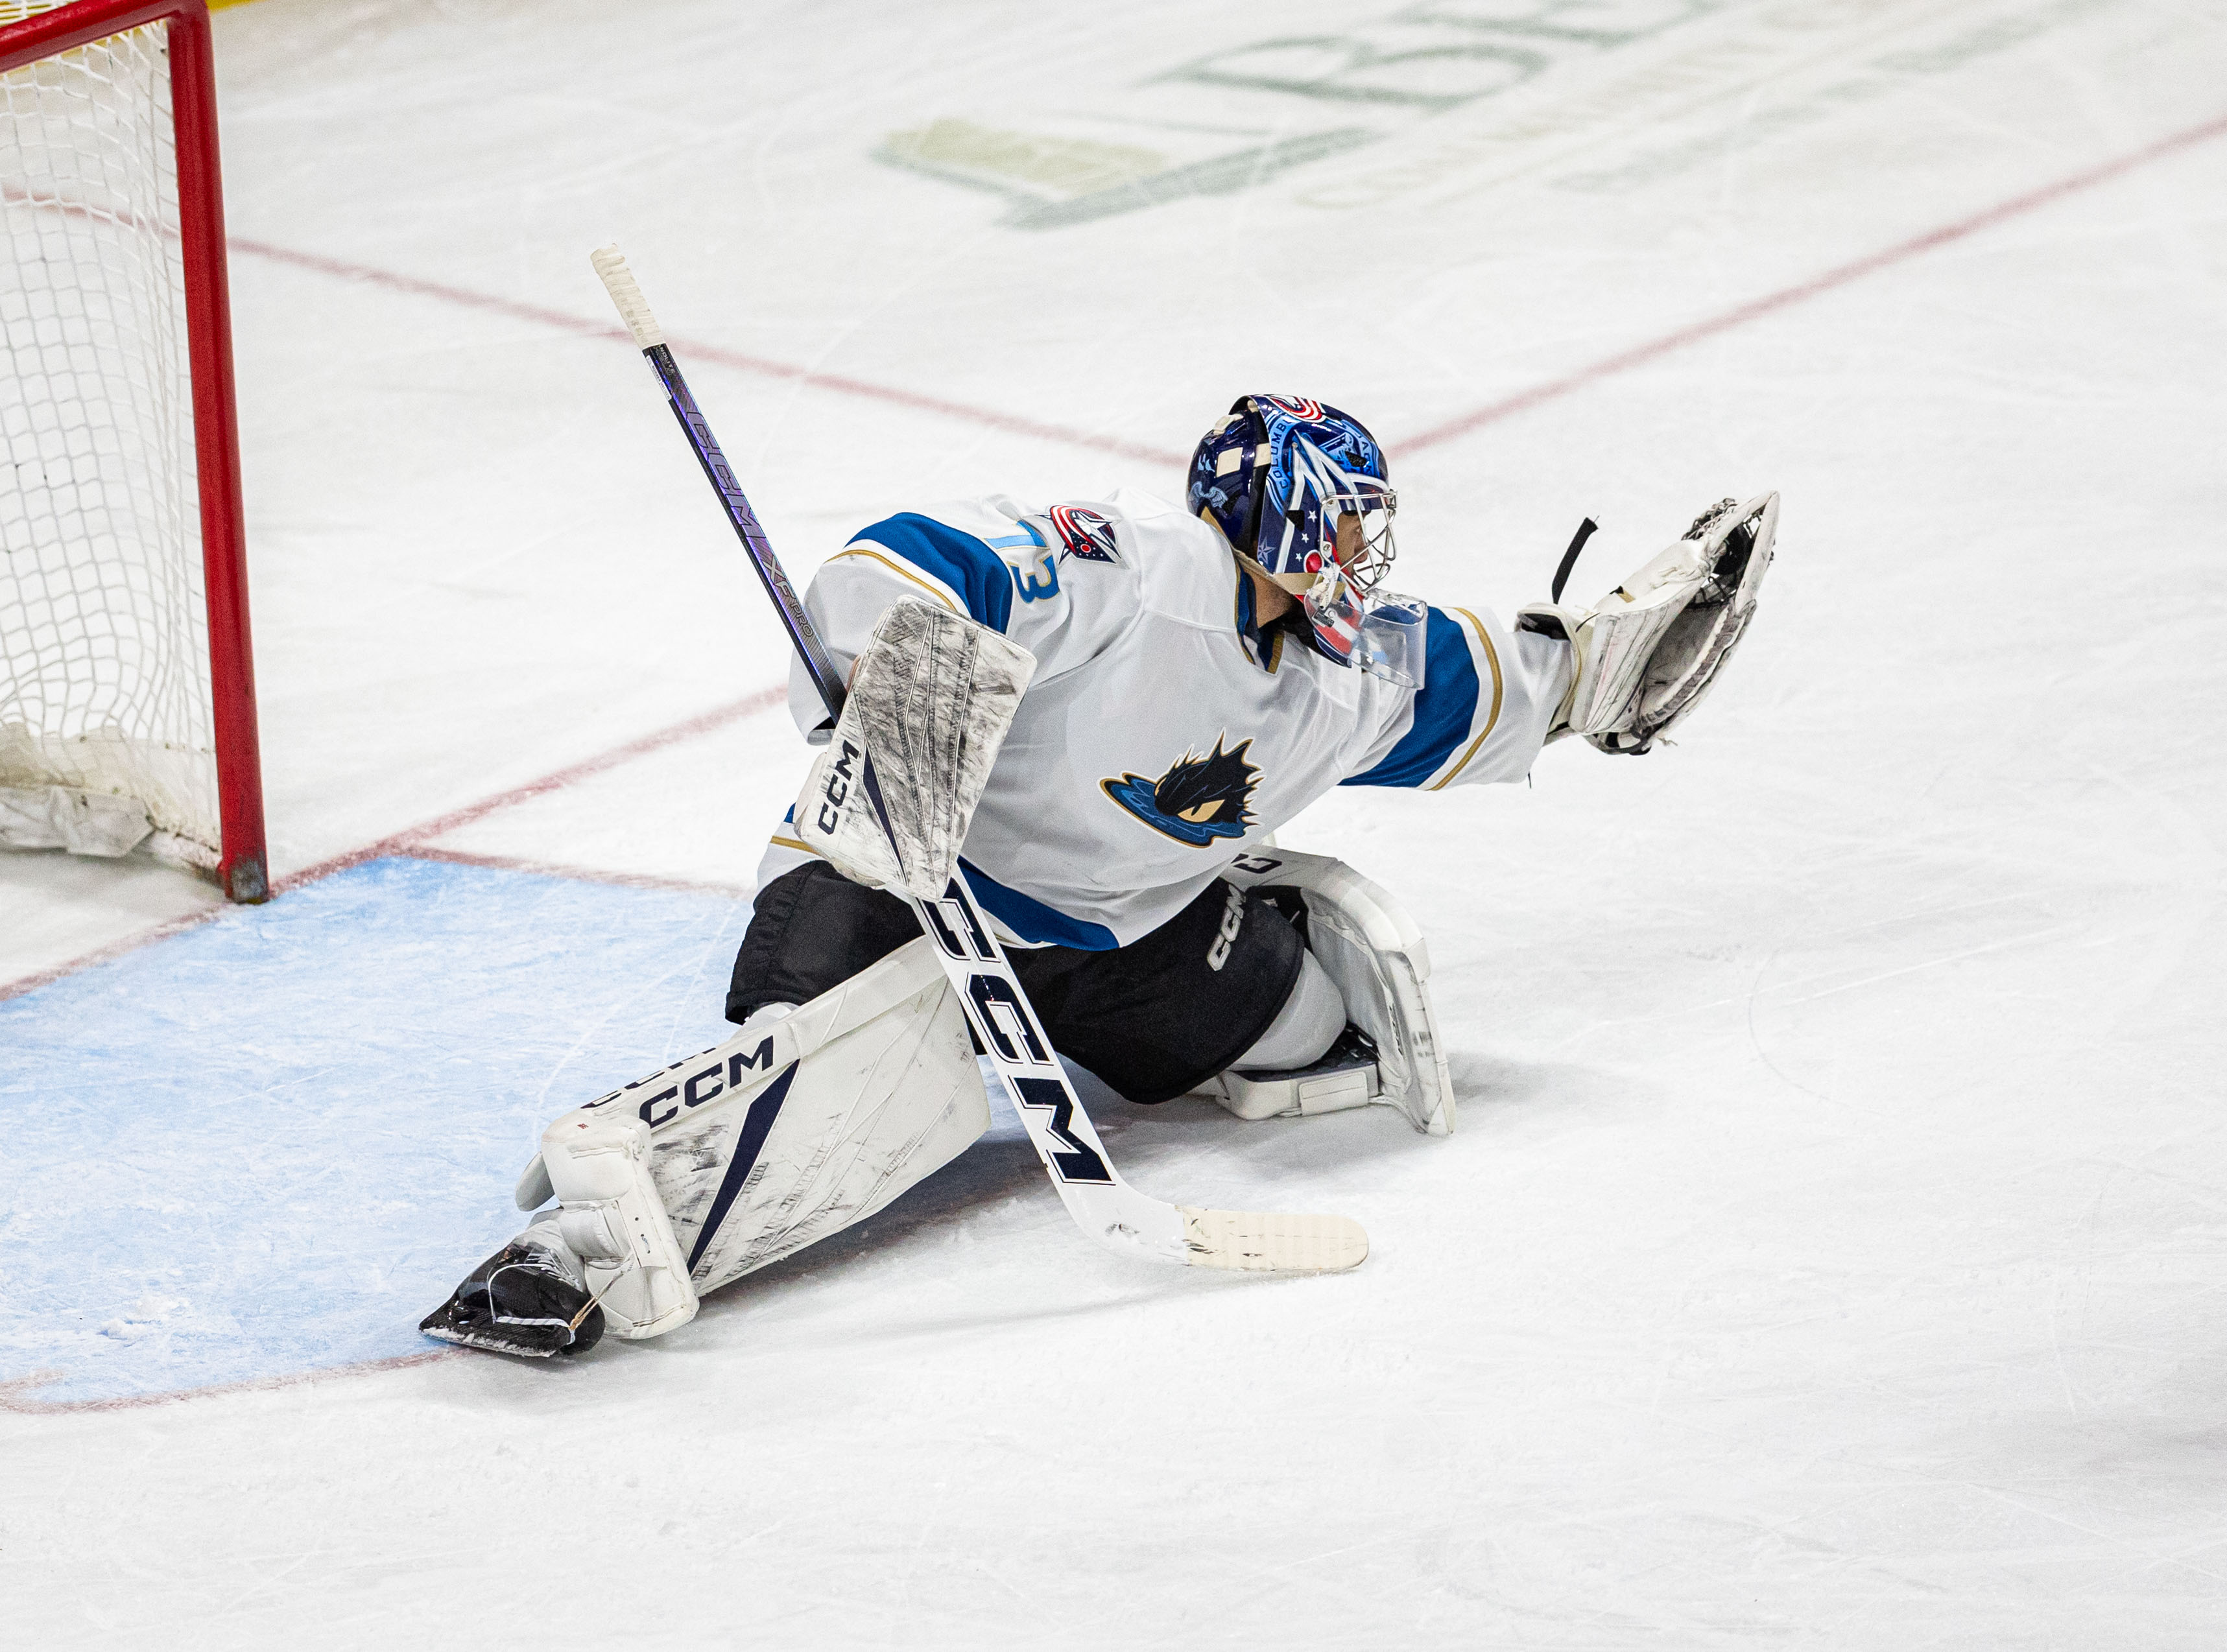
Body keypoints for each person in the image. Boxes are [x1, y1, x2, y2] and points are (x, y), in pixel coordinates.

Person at [422, 394, 1776, 1357]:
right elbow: (909, 563)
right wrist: (905, 678)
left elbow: (1523, 681)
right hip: (908, 884)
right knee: (823, 1082)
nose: (1369, 560)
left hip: (1125, 931)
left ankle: (1261, 937)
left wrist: (1615, 661)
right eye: (1349, 530)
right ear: (1284, 525)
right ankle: (584, 1243)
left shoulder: (1359, 668)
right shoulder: (1124, 572)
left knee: (1308, 1032)